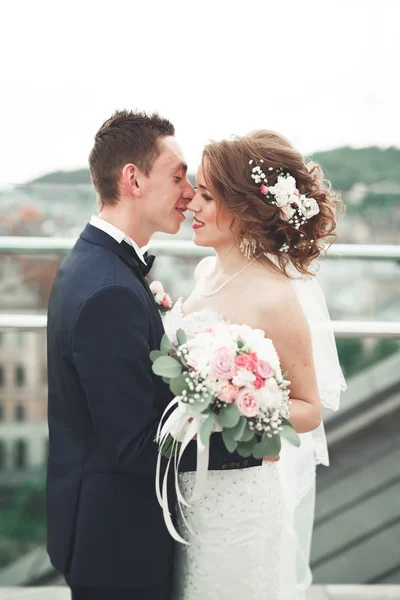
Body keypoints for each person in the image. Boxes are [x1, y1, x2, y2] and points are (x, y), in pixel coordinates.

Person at [163, 130, 344, 599]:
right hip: (184, 489)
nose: (192, 206)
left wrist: (242, 405)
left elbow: (308, 407)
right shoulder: (206, 272)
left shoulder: (275, 296)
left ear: (243, 208)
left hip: (237, 500)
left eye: (206, 195)